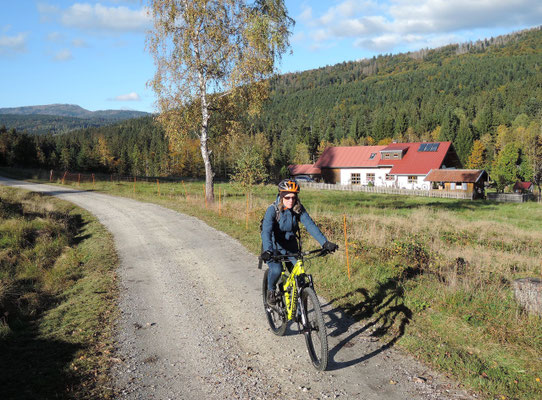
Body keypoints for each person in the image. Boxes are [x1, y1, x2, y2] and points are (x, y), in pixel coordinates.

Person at [260, 179, 338, 305]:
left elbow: (310, 225)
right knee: (276, 270)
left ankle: (301, 308)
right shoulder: (272, 210)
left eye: (294, 197)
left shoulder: (298, 209)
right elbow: (266, 232)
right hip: (273, 247)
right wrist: (268, 250)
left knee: (300, 276)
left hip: (291, 248)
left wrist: (325, 243)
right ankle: (271, 291)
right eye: (287, 197)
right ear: (281, 196)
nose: (291, 200)